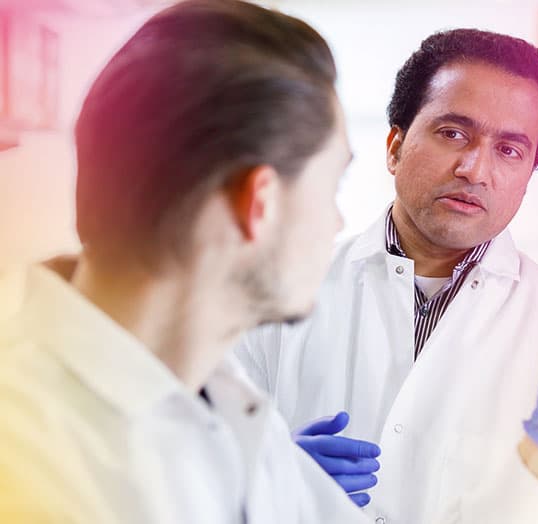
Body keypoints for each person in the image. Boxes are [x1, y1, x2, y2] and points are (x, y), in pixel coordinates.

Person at [235, 29, 538, 523]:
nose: (475, 170)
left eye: (509, 150)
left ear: (528, 176)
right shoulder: (269, 293)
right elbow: (192, 481)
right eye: (453, 133)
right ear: (395, 146)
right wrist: (265, 484)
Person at [0, 1, 368, 521]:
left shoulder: (225, 403)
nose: (336, 222)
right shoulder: (30, 467)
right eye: (332, 186)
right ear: (259, 204)